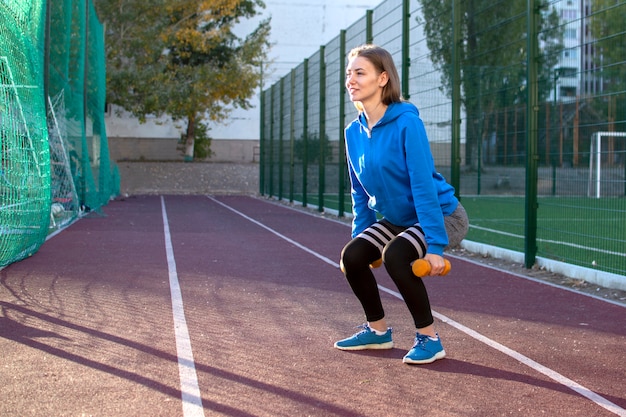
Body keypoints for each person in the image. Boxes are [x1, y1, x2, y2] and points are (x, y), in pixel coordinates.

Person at [334, 44, 469, 365]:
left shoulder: (407, 123)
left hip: (442, 215)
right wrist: (361, 235)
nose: (351, 80)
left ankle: (430, 338)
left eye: (360, 73)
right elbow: (359, 191)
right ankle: (378, 331)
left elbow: (423, 186)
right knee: (352, 257)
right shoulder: (352, 131)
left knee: (396, 255)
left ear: (382, 79)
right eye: (348, 73)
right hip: (398, 218)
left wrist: (434, 246)